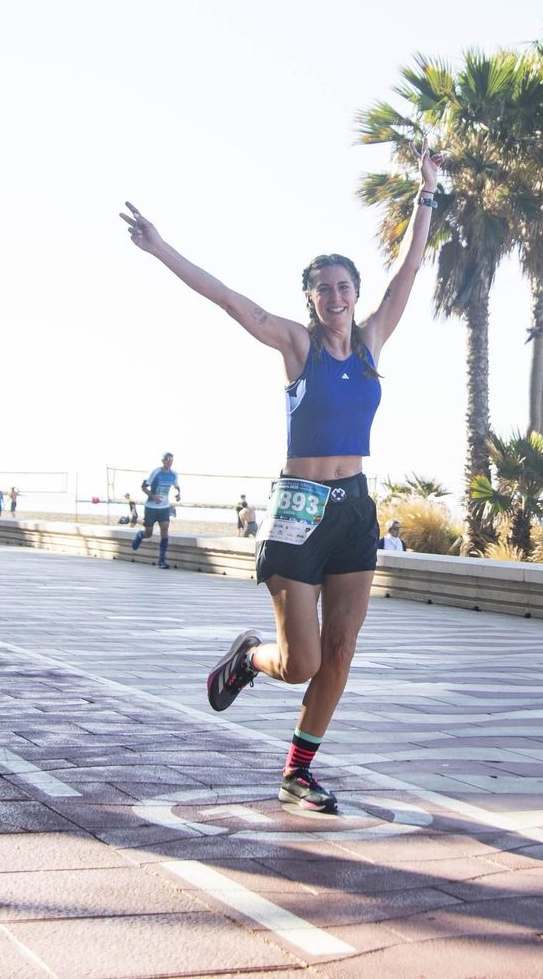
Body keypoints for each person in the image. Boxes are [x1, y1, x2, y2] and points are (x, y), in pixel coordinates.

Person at [118, 144, 439, 812]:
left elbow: (411, 267)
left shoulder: (375, 342)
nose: (336, 297)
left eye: (344, 286)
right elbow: (229, 301)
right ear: (311, 298)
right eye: (323, 288)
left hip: (353, 510)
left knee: (342, 653)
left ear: (355, 292)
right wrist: (160, 248)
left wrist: (426, 193)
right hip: (298, 511)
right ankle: (246, 660)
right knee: (301, 664)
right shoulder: (298, 345)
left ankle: (298, 772)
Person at [130, 453, 181, 569]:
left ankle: (161, 560)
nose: (169, 461)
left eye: (171, 459)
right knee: (148, 533)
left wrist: (178, 494)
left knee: (165, 529)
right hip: (151, 507)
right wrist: (154, 497)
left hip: (164, 508)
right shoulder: (156, 472)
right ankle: (140, 535)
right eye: (167, 459)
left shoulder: (173, 474)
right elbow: (143, 487)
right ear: (163, 461)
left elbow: (177, 486)